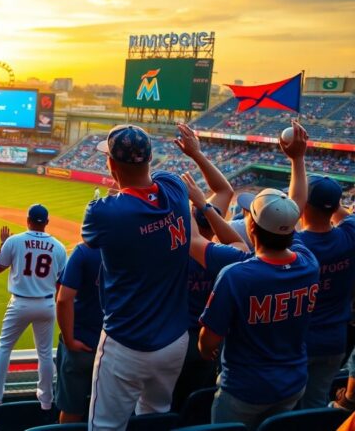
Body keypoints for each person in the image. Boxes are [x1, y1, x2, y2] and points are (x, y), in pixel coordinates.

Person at [200, 121, 318, 430]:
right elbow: (297, 207)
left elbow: (207, 341)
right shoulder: (308, 261)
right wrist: (297, 159)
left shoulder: (236, 275)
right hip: (293, 384)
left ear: (251, 227)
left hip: (243, 390)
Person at [82, 124, 191, 430]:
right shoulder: (174, 187)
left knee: (105, 425)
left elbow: (91, 240)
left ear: (111, 164)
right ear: (150, 159)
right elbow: (153, 185)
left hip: (127, 342)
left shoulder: (104, 212)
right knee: (155, 417)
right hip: (174, 340)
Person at [169, 124, 237, 409]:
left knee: (168, 403)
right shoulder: (231, 256)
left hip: (175, 339)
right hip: (211, 340)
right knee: (199, 401)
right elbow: (224, 189)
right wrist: (197, 155)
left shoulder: (176, 248)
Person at [0, 204, 67, 410]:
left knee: (5, 347)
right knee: (45, 353)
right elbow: (61, 283)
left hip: (20, 303)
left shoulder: (14, 241)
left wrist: (1, 244)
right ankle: (46, 400)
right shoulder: (59, 247)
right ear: (46, 223)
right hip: (47, 303)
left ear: (28, 220)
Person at [297, 176, 355, 408]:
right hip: (335, 340)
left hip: (300, 342)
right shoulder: (350, 235)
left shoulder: (296, 244)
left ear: (304, 206)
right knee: (316, 405)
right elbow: (344, 216)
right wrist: (333, 202)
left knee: (289, 406)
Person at [55, 242, 102, 423]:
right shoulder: (130, 248)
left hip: (82, 343)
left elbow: (63, 298)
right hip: (116, 345)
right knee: (109, 408)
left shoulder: (84, 252)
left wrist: (69, 340)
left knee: (71, 408)